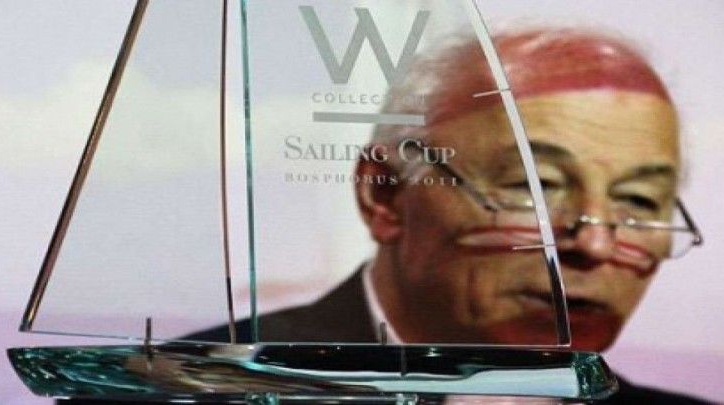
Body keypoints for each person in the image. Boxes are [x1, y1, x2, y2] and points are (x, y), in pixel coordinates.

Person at [187, 27, 709, 403]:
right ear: (386, 195)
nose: (595, 245)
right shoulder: (192, 387)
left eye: (640, 201)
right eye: (535, 188)